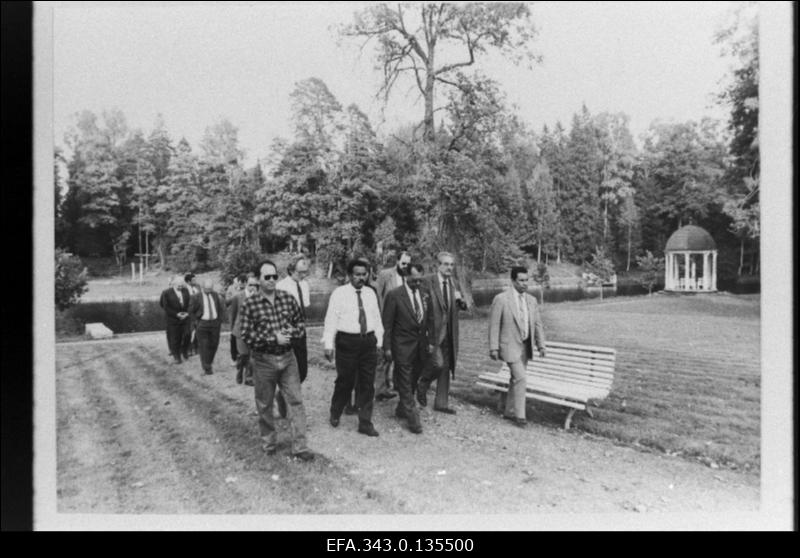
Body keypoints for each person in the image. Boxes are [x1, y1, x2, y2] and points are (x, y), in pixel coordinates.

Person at [240, 260, 314, 461]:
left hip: (288, 358)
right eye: (267, 277)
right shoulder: (250, 304)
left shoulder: (288, 298)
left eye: (274, 276)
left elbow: (300, 324)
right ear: (258, 279)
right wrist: (274, 338)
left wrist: (289, 333)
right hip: (263, 360)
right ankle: (269, 443)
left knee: (296, 401)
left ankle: (300, 447)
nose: (272, 280)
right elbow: (246, 334)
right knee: (265, 404)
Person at [322, 259, 384, 437]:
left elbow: (376, 318)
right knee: (345, 381)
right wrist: (328, 344)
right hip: (347, 342)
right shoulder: (339, 293)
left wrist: (379, 342)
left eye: (364, 274)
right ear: (350, 275)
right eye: (357, 274)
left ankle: (365, 422)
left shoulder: (370, 293)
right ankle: (336, 410)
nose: (361, 278)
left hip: (368, 341)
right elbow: (331, 320)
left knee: (367, 383)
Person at [488, 266, 547, 427]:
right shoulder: (501, 299)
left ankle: (509, 411)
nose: (524, 283)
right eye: (521, 280)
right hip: (509, 346)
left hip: (525, 347)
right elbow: (494, 325)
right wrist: (493, 347)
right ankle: (520, 416)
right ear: (513, 281)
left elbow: (537, 324)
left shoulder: (532, 300)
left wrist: (541, 345)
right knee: (521, 378)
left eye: (526, 280)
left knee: (515, 379)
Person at [416, 251, 467, 414]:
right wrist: (423, 332)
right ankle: (422, 384)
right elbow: (421, 307)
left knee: (446, 366)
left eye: (452, 265)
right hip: (433, 332)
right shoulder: (427, 281)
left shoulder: (454, 283)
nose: (449, 268)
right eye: (446, 264)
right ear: (438, 265)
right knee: (437, 364)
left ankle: (442, 403)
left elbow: (459, 306)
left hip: (450, 333)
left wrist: (461, 302)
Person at [382, 263, 430, 434]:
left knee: (413, 380)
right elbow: (387, 324)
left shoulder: (424, 293)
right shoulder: (394, 295)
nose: (417, 283)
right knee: (404, 381)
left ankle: (402, 408)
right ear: (406, 277)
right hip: (401, 346)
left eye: (420, 280)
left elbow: (427, 320)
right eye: (414, 280)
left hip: (420, 346)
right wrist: (387, 348)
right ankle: (413, 419)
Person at [275, 256, 311, 417]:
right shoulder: (281, 286)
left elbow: (305, 309)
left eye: (305, 272)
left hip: (301, 333)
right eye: (300, 272)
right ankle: (290, 406)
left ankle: (282, 395)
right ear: (291, 270)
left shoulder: (305, 285)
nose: (303, 275)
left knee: (302, 371)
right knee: (288, 370)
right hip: (286, 333)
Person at [373, 251, 411, 401]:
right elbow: (377, 296)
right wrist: (379, 319)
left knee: (399, 354)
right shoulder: (385, 275)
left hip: (402, 323)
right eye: (403, 263)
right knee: (384, 355)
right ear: (397, 261)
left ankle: (395, 385)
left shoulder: (409, 276)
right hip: (386, 320)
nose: (406, 266)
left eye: (408, 264)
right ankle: (380, 390)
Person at [189, 278, 224, 375]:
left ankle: (208, 362)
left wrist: (219, 320)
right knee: (204, 346)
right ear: (202, 287)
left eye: (211, 288)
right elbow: (191, 311)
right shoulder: (196, 297)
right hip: (202, 323)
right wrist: (196, 322)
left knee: (214, 344)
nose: (209, 291)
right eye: (207, 289)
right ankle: (207, 367)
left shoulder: (215, 295)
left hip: (215, 323)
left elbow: (219, 308)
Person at [229, 273, 258, 385]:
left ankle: (249, 378)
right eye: (250, 285)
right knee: (243, 354)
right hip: (240, 330)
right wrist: (232, 330)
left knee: (252, 355)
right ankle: (240, 370)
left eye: (255, 285)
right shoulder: (238, 297)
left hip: (253, 331)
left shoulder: (259, 297)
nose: (252, 287)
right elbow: (233, 314)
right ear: (245, 284)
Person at [159, 275, 191, 364]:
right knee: (175, 338)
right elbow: (165, 306)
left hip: (185, 318)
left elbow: (189, 303)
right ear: (174, 284)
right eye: (178, 286)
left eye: (182, 285)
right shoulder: (166, 292)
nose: (180, 287)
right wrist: (176, 314)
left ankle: (184, 351)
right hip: (173, 319)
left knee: (187, 335)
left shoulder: (185, 291)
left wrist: (187, 313)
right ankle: (177, 357)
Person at [226, 274, 247, 364]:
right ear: (237, 282)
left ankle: (242, 356)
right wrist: (236, 296)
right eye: (241, 282)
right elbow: (227, 301)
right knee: (233, 337)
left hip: (244, 318)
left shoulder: (248, 290)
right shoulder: (231, 289)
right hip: (234, 315)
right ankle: (233, 357)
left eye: (244, 283)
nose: (242, 284)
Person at [183, 273, 200, 358]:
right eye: (193, 280)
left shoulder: (198, 287)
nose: (195, 281)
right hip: (188, 313)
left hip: (198, 313)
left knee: (198, 330)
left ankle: (197, 348)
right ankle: (188, 349)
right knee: (188, 332)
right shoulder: (184, 289)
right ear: (188, 281)